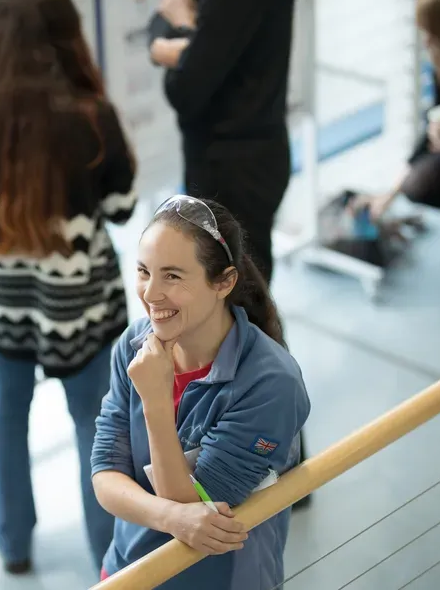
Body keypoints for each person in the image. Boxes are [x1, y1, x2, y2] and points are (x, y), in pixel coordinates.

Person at [0, 0, 137, 574]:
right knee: (97, 422)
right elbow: (121, 205)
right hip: (80, 309)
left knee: (7, 410)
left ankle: (11, 546)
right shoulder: (91, 120)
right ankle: (109, 560)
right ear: (67, 36)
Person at [91, 196, 311, 588]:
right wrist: (168, 517)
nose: (150, 293)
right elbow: (105, 475)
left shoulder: (271, 384)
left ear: (224, 282)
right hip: (129, 571)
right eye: (144, 271)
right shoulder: (133, 345)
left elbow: (199, 511)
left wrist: (157, 403)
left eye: (172, 276)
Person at [148, 0, 298, 284]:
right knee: (239, 294)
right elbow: (162, 16)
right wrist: (182, 43)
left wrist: (181, 30)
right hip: (248, 153)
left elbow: (186, 88)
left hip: (233, 168)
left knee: (236, 303)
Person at [352, 0, 440, 219]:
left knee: (421, 181)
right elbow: (425, 142)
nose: (426, 41)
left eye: (433, 33)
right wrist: (389, 195)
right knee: (416, 180)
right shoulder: (439, 67)